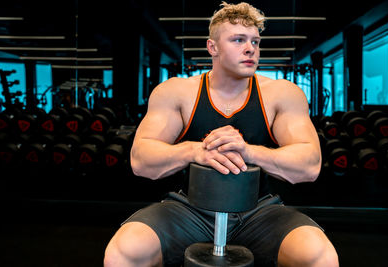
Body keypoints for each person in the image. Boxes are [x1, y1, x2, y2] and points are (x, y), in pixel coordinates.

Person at [104, 1, 339, 266]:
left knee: (320, 255)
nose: (251, 48)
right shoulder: (178, 92)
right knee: (123, 251)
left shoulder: (282, 94)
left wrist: (248, 151)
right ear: (212, 47)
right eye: (238, 40)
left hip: (259, 211)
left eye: (255, 41)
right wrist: (195, 151)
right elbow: (140, 160)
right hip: (189, 209)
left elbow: (310, 165)